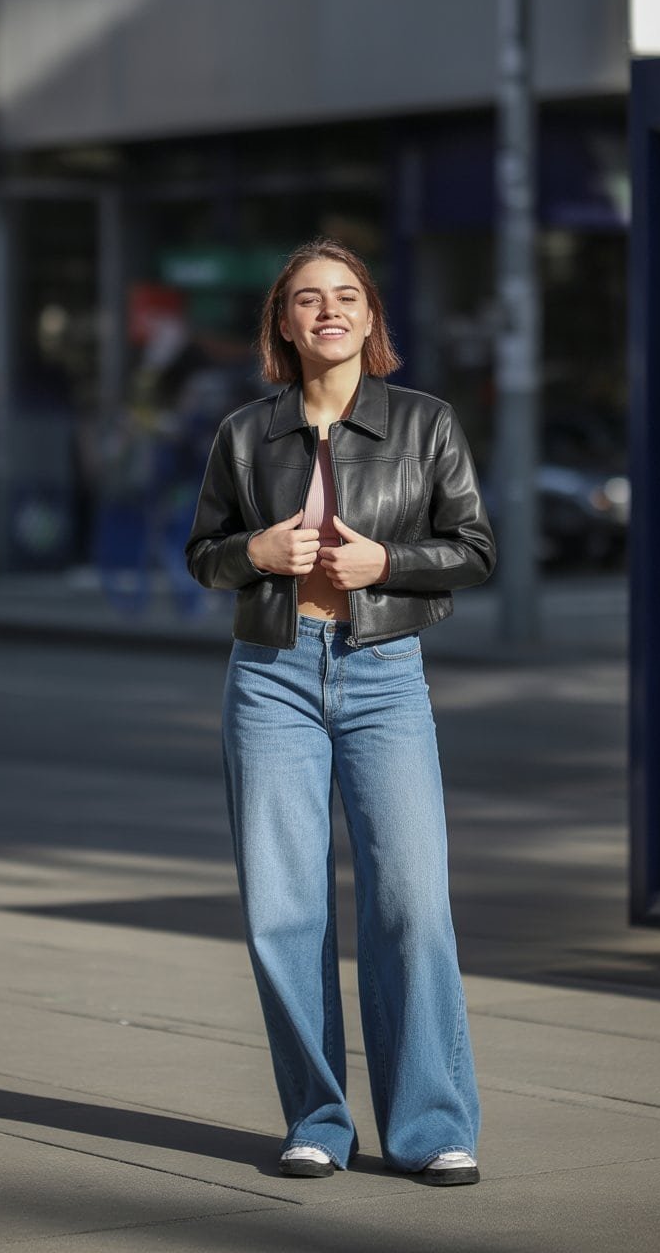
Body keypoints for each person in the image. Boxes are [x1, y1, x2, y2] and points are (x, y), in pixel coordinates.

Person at [185, 238, 496, 1185]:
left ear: (371, 318)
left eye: (347, 295)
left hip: (383, 673)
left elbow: (476, 547)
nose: (329, 310)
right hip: (271, 675)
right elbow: (204, 554)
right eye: (308, 298)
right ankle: (318, 1119)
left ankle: (432, 1124)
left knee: (410, 906)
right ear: (282, 320)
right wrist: (257, 553)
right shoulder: (246, 434)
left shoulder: (426, 423)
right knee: (284, 910)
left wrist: (386, 564)